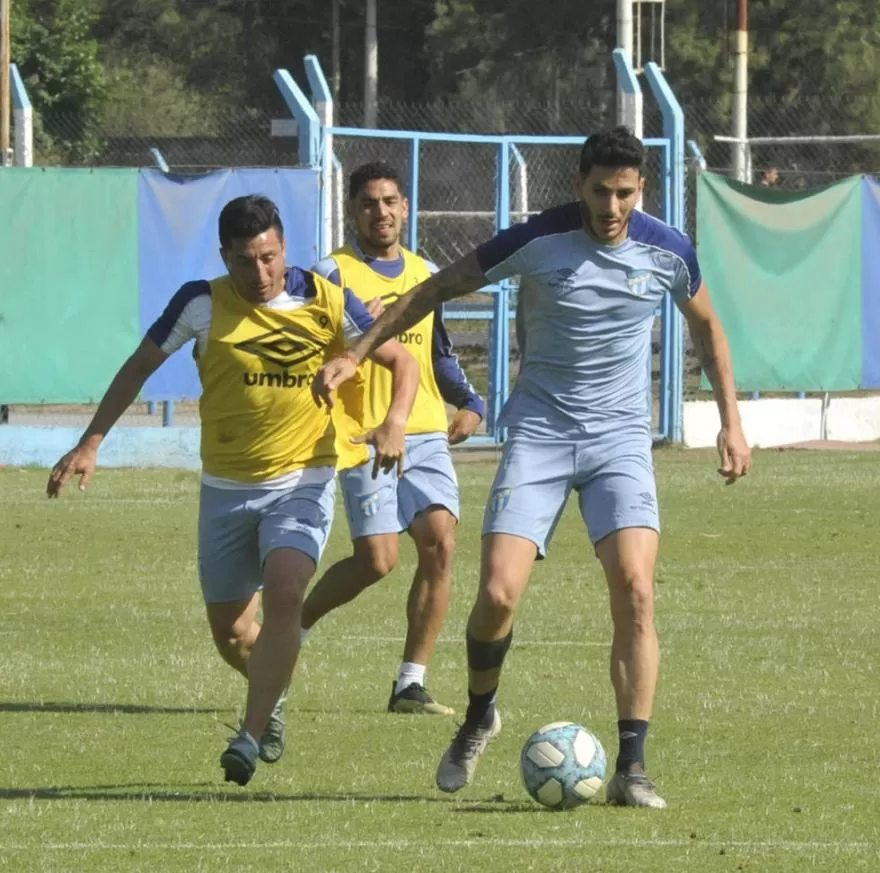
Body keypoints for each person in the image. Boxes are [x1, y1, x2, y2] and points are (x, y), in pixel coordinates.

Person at [313, 127, 752, 809]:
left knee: (637, 588)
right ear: (578, 185)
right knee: (497, 595)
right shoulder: (536, 240)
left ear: (643, 190)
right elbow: (429, 292)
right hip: (541, 434)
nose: (612, 207)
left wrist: (731, 420)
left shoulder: (667, 249)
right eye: (601, 191)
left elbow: (708, 327)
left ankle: (632, 766)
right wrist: (358, 349)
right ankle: (479, 712)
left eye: (625, 193)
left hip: (619, 442)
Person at [46, 195, 419, 787]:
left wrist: (394, 422)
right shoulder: (201, 302)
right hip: (226, 487)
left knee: (287, 591)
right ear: (225, 257)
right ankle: (271, 697)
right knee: (232, 635)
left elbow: (401, 361)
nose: (260, 274)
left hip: (305, 475)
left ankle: (248, 734)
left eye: (269, 258)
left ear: (284, 249)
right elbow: (139, 366)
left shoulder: (325, 298)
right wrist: (91, 442)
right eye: (245, 262)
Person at [301, 161, 485, 715]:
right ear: (352, 211)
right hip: (362, 435)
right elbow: (313, 353)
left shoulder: (426, 271)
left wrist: (470, 402)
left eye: (390, 202)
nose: (380, 212)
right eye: (368, 203)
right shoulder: (330, 275)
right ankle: (292, 626)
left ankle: (410, 683)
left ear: (405, 208)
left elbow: (437, 349)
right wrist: (363, 328)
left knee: (441, 544)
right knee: (376, 561)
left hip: (423, 427)